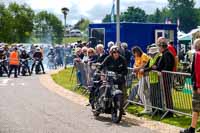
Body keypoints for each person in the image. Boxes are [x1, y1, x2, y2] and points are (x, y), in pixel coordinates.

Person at [180, 39, 200, 133]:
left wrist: (198, 85)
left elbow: (197, 71)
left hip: (198, 85)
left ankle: (192, 129)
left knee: (196, 107)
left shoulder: (197, 54)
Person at [153, 38, 175, 117]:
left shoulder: (167, 54)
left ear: (162, 47)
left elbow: (168, 66)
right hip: (164, 76)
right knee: (165, 94)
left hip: (166, 77)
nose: (158, 48)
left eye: (159, 47)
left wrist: (162, 72)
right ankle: (168, 110)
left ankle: (170, 111)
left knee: (167, 94)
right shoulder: (165, 53)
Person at [129, 46, 151, 114]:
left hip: (146, 76)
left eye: (135, 52)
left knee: (142, 92)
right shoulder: (136, 57)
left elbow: (143, 65)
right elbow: (134, 65)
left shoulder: (143, 55)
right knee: (141, 92)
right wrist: (135, 68)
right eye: (134, 53)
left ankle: (148, 107)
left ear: (138, 51)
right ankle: (147, 107)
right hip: (140, 76)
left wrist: (136, 69)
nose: (135, 54)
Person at [142, 45, 162, 112]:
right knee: (152, 95)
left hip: (158, 79)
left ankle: (158, 110)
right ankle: (154, 109)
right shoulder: (150, 59)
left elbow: (155, 66)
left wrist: (146, 69)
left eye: (152, 53)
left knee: (158, 95)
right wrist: (146, 69)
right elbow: (147, 67)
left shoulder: (159, 57)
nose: (150, 55)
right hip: (152, 79)